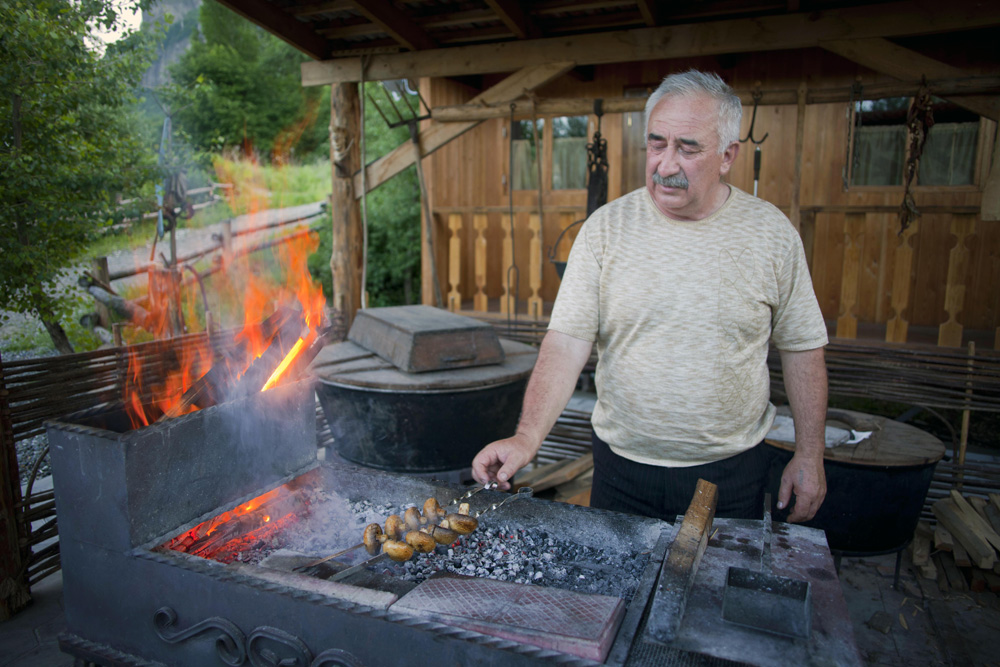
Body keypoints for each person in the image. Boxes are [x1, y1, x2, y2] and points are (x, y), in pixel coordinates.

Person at [471, 70, 829, 523]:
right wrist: (526, 438)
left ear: (727, 155)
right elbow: (566, 343)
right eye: (657, 144)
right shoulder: (606, 229)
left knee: (710, 594)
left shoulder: (771, 234)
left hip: (732, 474)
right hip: (622, 472)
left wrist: (810, 455)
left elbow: (802, 347)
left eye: (688, 148)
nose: (666, 165)